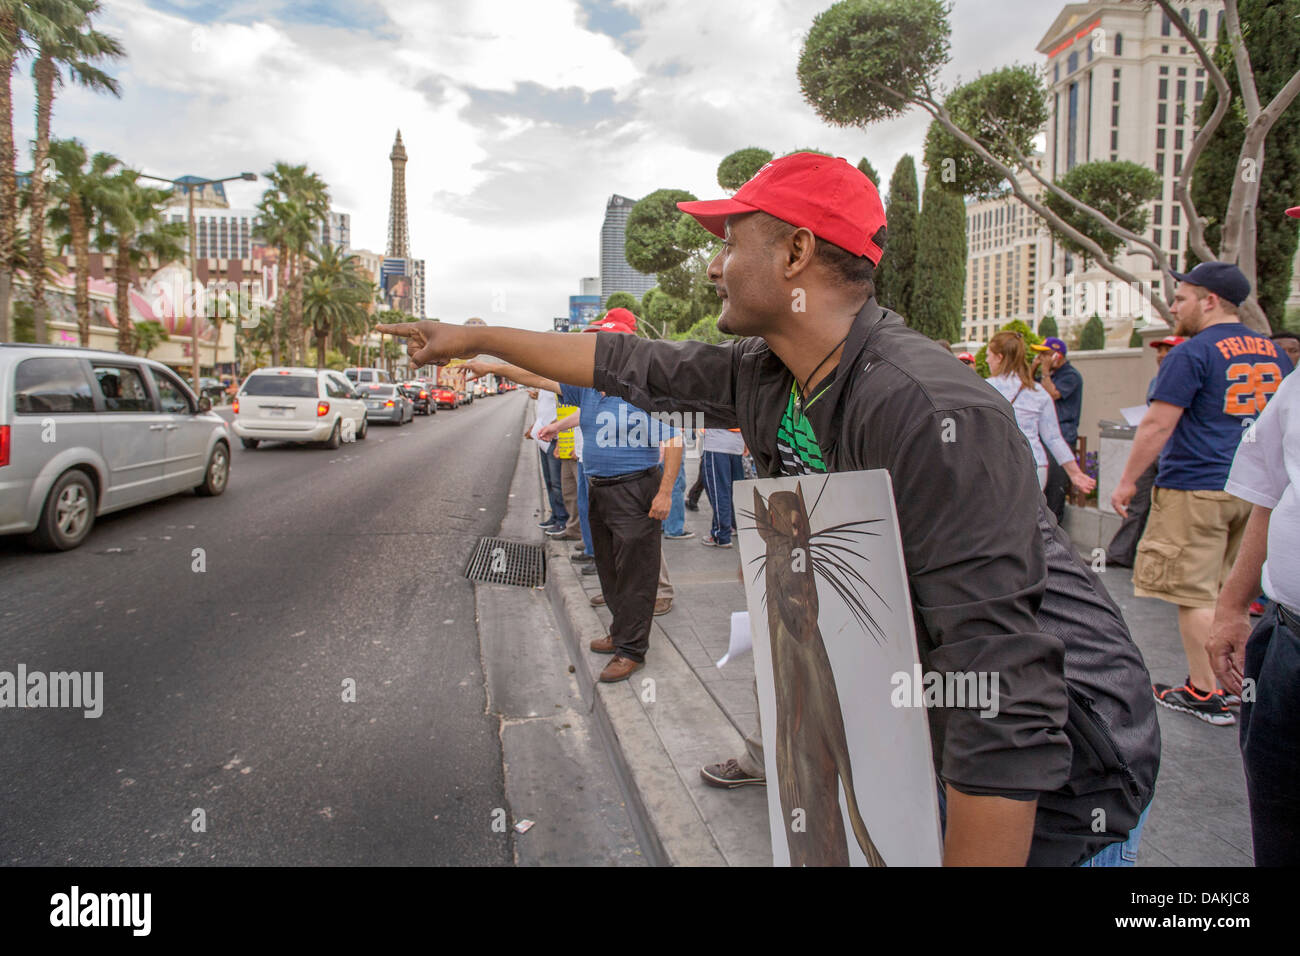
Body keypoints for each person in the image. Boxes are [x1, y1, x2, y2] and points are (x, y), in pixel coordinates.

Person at [377, 152, 1159, 866]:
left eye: (729, 243)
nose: (714, 267)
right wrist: (469, 338)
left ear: (794, 255)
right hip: (914, 757)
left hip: (1055, 788)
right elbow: (626, 362)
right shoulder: (768, 372)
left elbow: (1002, 702)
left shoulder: (925, 407)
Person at [1113, 262, 1294, 726]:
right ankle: (1237, 682)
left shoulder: (1192, 353)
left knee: (1193, 592)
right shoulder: (1275, 354)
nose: (1175, 306)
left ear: (1209, 300)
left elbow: (1158, 423)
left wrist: (1128, 481)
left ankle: (1205, 690)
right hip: (1253, 494)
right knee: (1226, 591)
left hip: (1197, 483)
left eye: (1183, 297)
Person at [463, 308, 682, 682]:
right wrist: (495, 368)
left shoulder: (647, 387)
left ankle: (632, 649)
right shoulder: (588, 385)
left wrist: (664, 493)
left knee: (636, 574)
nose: (602, 347)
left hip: (637, 488)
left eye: (609, 341)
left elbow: (674, 440)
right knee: (610, 569)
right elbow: (538, 375)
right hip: (600, 488)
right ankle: (619, 632)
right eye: (599, 341)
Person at [1209, 203, 1300, 865]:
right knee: (1277, 828)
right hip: (1287, 645)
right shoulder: (1295, 388)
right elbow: (1271, 495)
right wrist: (1233, 607)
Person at [1105, 335, 1185, 567]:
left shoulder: (1191, 378)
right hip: (1152, 453)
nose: (1161, 355)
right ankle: (1121, 554)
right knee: (1136, 504)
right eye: (1160, 350)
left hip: (1176, 455)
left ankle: (1166, 563)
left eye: (1167, 350)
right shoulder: (1155, 382)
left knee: (1170, 509)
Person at [985, 331, 1095, 496]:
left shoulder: (984, 388)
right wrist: (1075, 473)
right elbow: (1054, 438)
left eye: (989, 355)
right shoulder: (1039, 392)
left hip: (1000, 467)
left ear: (999, 357)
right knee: (1026, 520)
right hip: (1035, 467)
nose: (986, 360)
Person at [1030, 337, 1084, 522]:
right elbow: (1026, 389)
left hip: (1062, 438)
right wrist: (1034, 368)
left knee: (1054, 491)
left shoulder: (1071, 376)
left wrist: (1045, 371)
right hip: (1042, 439)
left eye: (1044, 354)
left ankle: (1055, 535)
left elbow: (1051, 394)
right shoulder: (1045, 376)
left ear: (1056, 356)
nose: (1040, 357)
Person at [699, 427, 746, 548]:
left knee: (719, 490)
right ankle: (734, 525)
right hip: (737, 443)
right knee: (734, 490)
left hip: (717, 443)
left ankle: (722, 535)